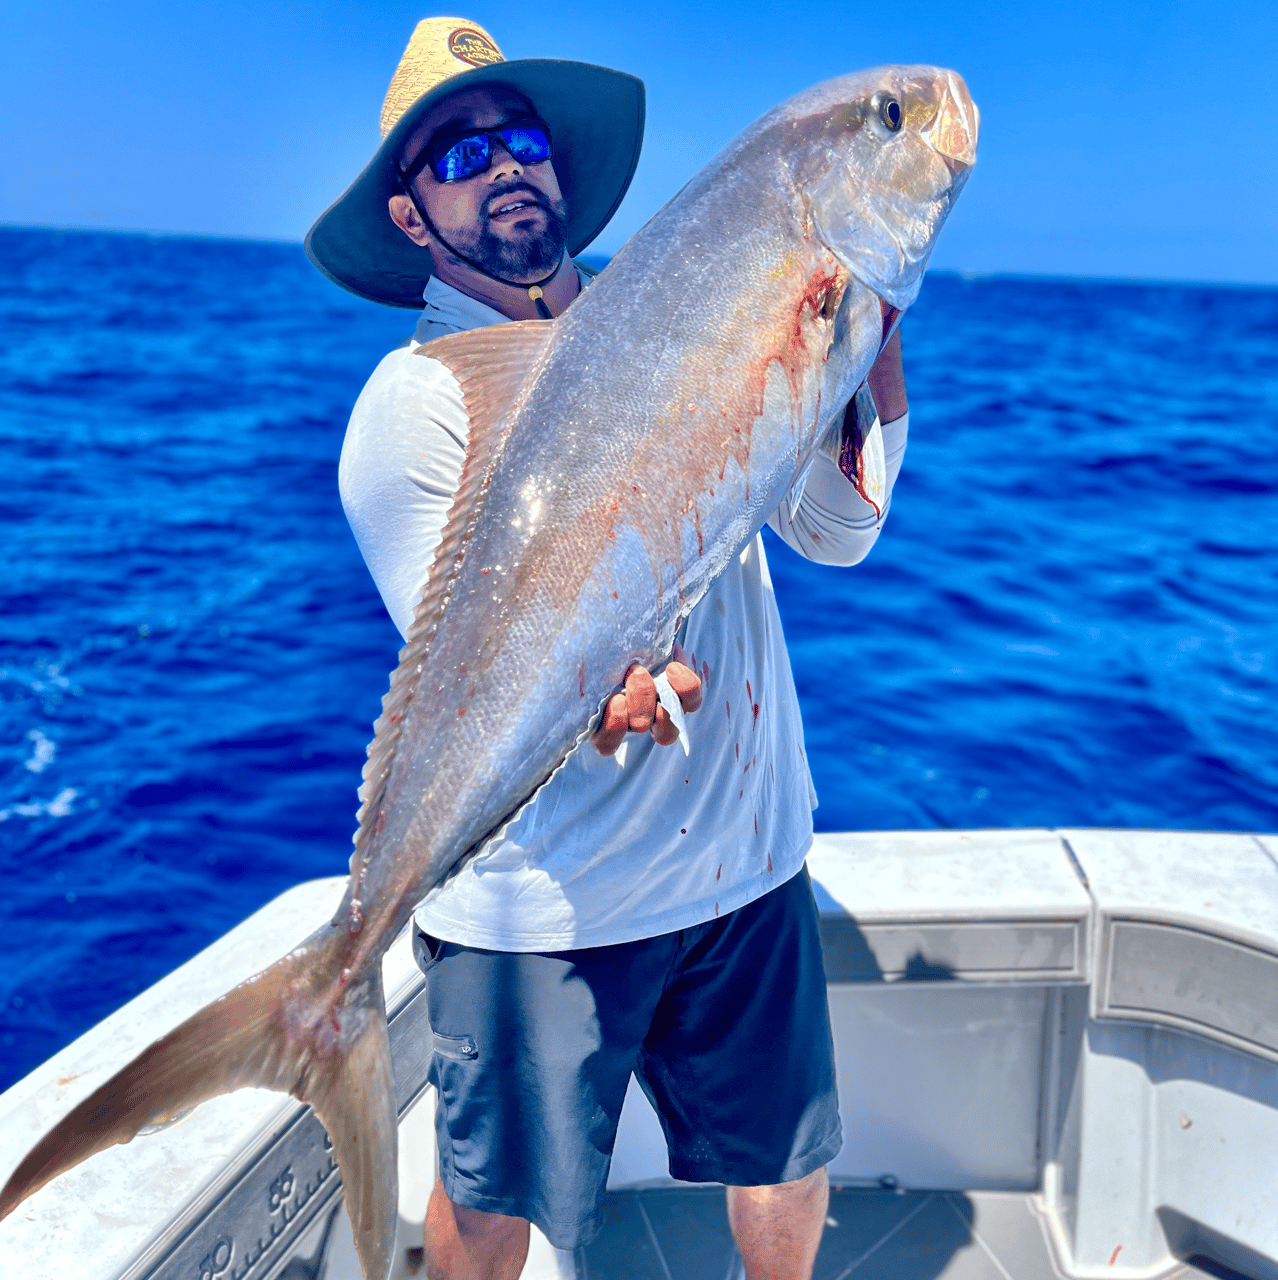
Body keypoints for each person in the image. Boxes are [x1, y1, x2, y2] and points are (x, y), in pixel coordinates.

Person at [306, 18, 910, 1280]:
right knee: (486, 1212)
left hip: (745, 856)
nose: (501, 161)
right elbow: (483, 667)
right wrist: (597, 701)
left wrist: (862, 336)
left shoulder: (687, 306)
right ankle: (327, 1000)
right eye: (456, 154)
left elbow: (837, 531)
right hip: (539, 906)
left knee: (786, 1166)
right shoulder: (409, 409)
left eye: (518, 136)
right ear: (410, 217)